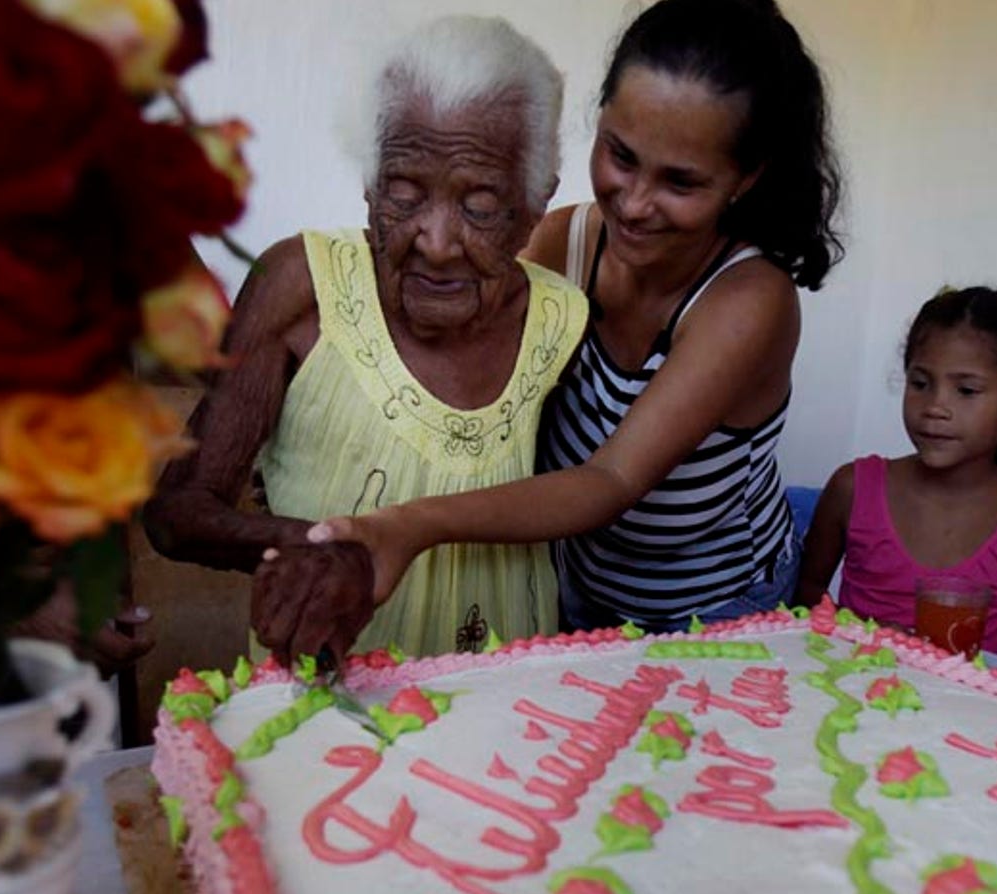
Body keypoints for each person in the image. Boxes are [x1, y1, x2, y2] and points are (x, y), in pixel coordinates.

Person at [309, 0, 843, 635]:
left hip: (716, 612)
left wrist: (410, 523)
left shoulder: (749, 301)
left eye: (680, 182)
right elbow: (459, 374)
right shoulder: (563, 243)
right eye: (620, 155)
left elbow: (611, 479)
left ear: (745, 179)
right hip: (577, 594)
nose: (636, 203)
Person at [144, 16, 589, 662]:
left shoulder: (561, 321)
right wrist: (327, 549)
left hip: (507, 703)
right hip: (328, 708)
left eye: (481, 207)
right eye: (404, 196)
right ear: (368, 185)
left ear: (535, 205)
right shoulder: (301, 288)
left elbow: (586, 495)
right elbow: (178, 508)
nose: (435, 244)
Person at [794, 286, 997, 679]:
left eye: (966, 390)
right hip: (843, 704)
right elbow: (803, 596)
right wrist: (855, 636)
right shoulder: (852, 487)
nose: (935, 407)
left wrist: (985, 690)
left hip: (960, 731)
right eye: (920, 383)